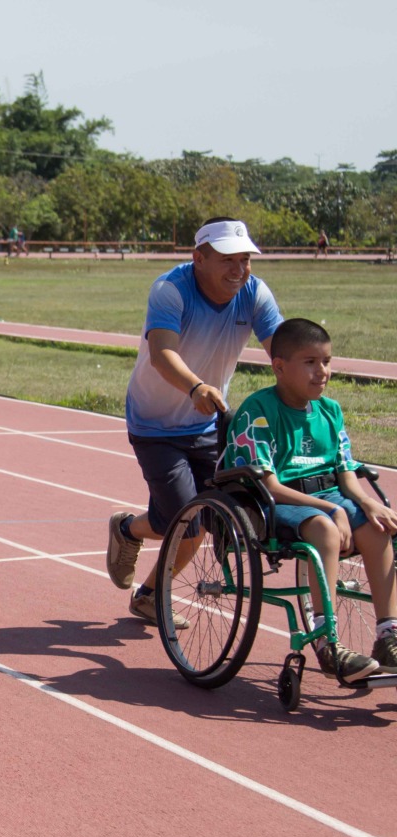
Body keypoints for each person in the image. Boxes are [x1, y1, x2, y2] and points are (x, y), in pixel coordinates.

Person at [106, 218, 283, 627]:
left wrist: (302, 381)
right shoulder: (171, 289)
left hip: (208, 425)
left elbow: (282, 353)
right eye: (228, 260)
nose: (239, 270)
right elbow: (162, 353)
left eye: (245, 260)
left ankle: (148, 591)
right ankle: (131, 530)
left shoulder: (254, 293)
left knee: (205, 516)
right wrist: (196, 387)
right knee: (186, 522)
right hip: (155, 423)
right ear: (198, 257)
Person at [223, 318, 397, 681]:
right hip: (278, 501)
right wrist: (331, 509)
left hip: (329, 494)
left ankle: (387, 635)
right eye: (311, 362)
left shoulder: (330, 411)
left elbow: (345, 473)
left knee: (379, 527)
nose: (323, 372)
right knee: (325, 529)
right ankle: (326, 641)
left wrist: (366, 503)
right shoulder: (257, 412)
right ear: (280, 367)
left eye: (327, 362)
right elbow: (268, 485)